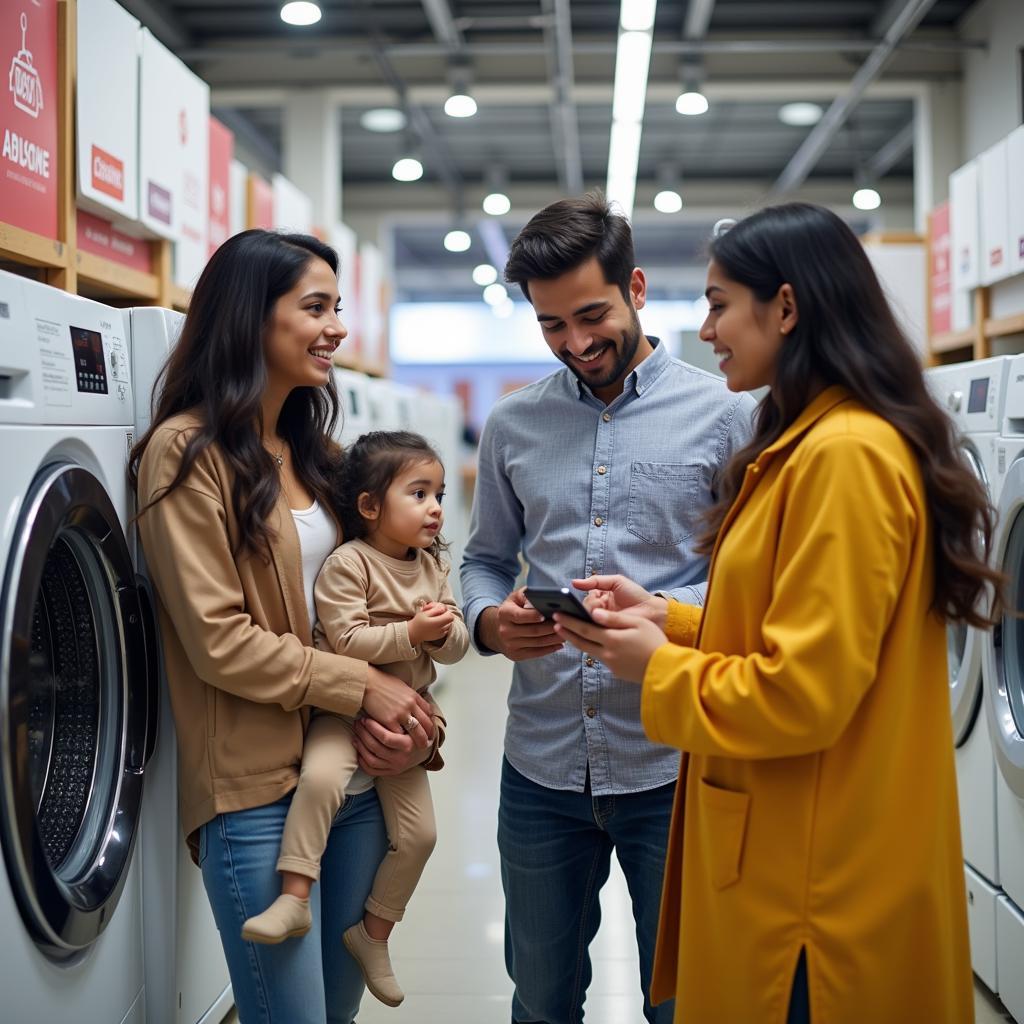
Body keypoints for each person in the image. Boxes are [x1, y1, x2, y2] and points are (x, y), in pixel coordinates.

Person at [553, 202, 998, 1023]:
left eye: (721, 303)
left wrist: (657, 665)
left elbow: (803, 693)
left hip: (816, 896)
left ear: (786, 308)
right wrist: (668, 617)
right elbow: (789, 618)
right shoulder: (819, 440)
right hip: (810, 853)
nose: (706, 325)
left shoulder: (846, 457)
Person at [129, 230, 445, 1024]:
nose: (337, 326)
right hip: (254, 786)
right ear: (249, 318)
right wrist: (364, 685)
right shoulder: (185, 454)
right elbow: (218, 640)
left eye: (338, 307)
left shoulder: (324, 457)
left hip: (357, 773)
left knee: (334, 1015)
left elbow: (390, 604)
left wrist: (415, 724)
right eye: (315, 307)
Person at [460, 191, 756, 1024]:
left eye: (592, 315)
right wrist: (490, 620)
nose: (577, 343)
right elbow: (483, 559)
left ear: (635, 287)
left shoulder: (727, 413)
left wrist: (665, 611)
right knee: (543, 999)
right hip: (540, 766)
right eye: (553, 326)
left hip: (672, 764)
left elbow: (751, 576)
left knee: (684, 1000)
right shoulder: (515, 423)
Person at [241, 430, 469, 1009]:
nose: (436, 506)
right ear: (370, 507)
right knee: (320, 781)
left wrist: (444, 635)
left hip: (411, 725)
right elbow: (342, 640)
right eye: (418, 493)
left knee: (422, 835)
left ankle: (372, 935)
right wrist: (410, 633)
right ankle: (294, 895)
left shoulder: (434, 564)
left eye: (438, 493)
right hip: (344, 712)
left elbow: (457, 646)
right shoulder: (349, 563)